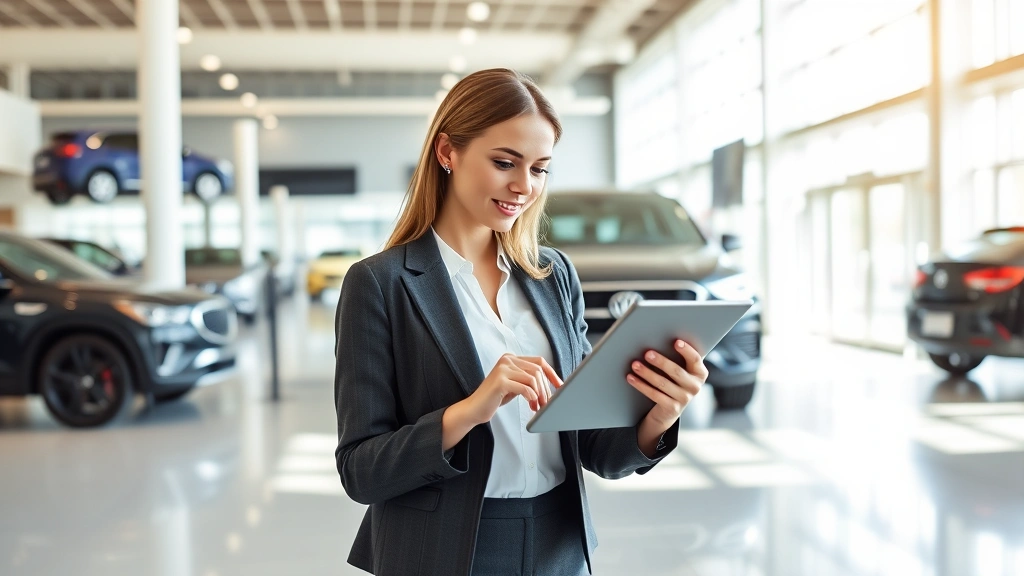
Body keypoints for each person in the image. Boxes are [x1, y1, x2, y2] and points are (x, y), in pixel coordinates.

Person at [333, 68, 708, 576]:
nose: (524, 186)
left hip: (558, 543)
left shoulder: (553, 276)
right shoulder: (380, 284)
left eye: (540, 169)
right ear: (447, 152)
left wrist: (661, 413)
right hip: (441, 551)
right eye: (505, 162)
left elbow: (595, 448)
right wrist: (470, 409)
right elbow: (361, 471)